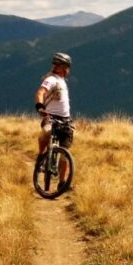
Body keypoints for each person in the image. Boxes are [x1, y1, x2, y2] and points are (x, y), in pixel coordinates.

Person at [34, 52, 74, 191]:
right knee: (47, 132)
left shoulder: (62, 81)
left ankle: (62, 183)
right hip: (50, 116)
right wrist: (40, 106)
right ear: (64, 67)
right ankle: (41, 155)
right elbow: (40, 92)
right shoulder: (51, 79)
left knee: (65, 152)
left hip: (65, 119)